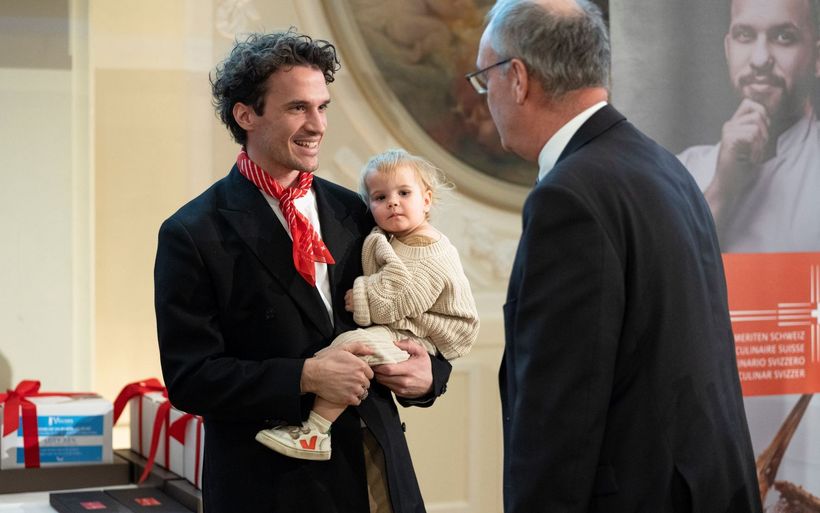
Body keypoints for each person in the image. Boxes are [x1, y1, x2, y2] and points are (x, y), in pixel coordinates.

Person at [471, 1, 763, 511]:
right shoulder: (664, 166)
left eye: (485, 79)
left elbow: (560, 413)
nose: (486, 98)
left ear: (517, 78)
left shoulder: (569, 197)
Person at [154, 30, 452, 513]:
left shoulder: (357, 210)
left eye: (323, 106)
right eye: (298, 108)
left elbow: (414, 311)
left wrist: (429, 375)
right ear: (246, 115)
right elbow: (191, 379)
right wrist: (305, 376)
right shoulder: (191, 232)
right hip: (271, 489)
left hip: (378, 474)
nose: (317, 124)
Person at [256, 149, 479, 461]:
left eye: (404, 193)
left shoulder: (426, 247)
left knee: (351, 347)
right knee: (346, 351)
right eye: (380, 197)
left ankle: (316, 430)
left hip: (422, 337)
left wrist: (360, 296)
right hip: (262, 451)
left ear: (426, 200)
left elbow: (403, 296)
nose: (392, 202)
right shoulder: (391, 234)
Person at [677, 0, 820, 253]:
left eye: (784, 37)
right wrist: (722, 190)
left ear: (817, 58)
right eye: (745, 35)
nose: (760, 59)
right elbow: (663, 280)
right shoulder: (683, 171)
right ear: (728, 49)